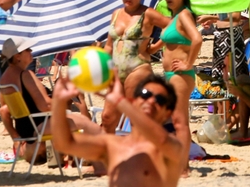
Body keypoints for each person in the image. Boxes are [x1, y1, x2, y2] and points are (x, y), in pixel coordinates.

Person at [50, 73, 185, 187]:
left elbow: (161, 140)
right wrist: (58, 101)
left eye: (160, 100)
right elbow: (64, 143)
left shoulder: (173, 146)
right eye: (145, 94)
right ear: (134, 101)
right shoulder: (113, 144)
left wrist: (120, 101)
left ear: (167, 113)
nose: (150, 101)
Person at [0, 37, 97, 162]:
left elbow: (4, 110)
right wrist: (64, 98)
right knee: (87, 123)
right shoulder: (26, 75)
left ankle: (76, 159)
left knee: (76, 120)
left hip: (25, 132)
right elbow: (45, 106)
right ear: (18, 56)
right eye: (28, 49)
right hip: (39, 127)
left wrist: (16, 138)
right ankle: (99, 164)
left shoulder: (4, 79)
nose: (31, 51)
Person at [102, 0, 170, 132]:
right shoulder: (116, 13)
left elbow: (174, 26)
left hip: (137, 68)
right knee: (107, 118)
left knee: (135, 118)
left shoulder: (148, 13)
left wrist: (156, 46)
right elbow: (109, 45)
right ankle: (109, 155)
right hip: (116, 71)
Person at [158, 0, 201, 171]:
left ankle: (183, 167)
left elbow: (197, 39)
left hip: (180, 76)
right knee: (173, 120)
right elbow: (161, 46)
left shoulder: (184, 15)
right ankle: (179, 162)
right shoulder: (175, 17)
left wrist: (188, 63)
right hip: (171, 75)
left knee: (180, 122)